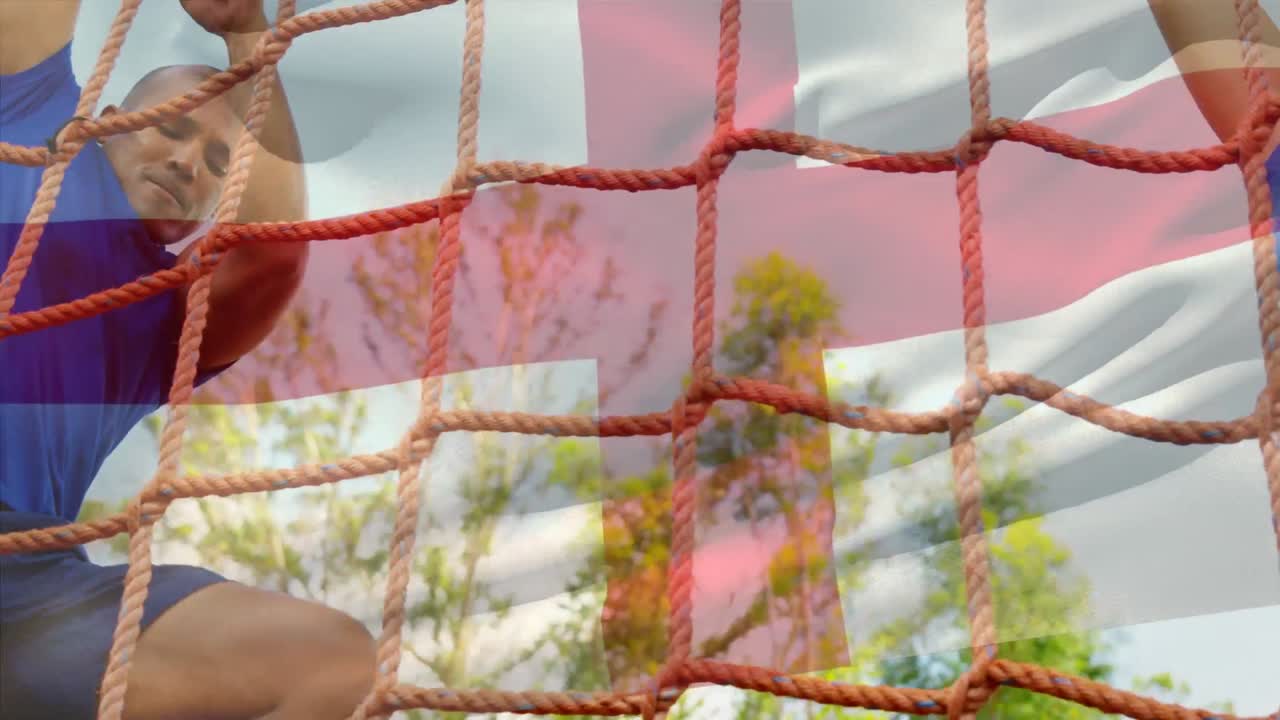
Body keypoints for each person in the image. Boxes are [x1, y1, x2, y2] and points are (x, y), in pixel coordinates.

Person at [0, 1, 377, 719]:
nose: (184, 161)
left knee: (326, 663)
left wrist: (246, 31)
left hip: (21, 581)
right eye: (170, 127)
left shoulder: (160, 322)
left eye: (216, 163)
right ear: (106, 119)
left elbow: (270, 253)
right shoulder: (26, 127)